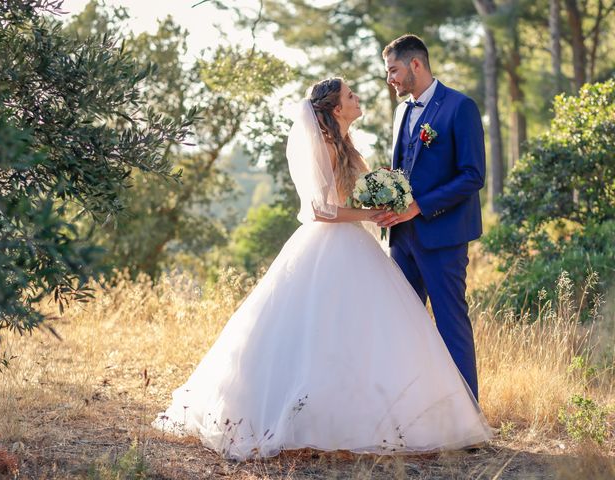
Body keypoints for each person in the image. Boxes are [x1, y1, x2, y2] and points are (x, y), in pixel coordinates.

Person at [152, 77, 491, 461]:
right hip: (329, 246)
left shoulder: (345, 144)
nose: (357, 97)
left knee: (364, 332)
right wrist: (368, 213)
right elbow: (319, 209)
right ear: (335, 108)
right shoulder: (325, 146)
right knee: (321, 330)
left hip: (359, 245)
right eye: (350, 95)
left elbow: (358, 188)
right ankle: (306, 420)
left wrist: (386, 192)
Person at [375, 34, 486, 400]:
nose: (390, 77)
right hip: (401, 240)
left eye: (393, 70)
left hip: (443, 238)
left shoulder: (460, 107)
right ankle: (411, 410)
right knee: (400, 325)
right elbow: (404, 169)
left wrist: (420, 205)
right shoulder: (400, 112)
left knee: (451, 326)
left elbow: (473, 175)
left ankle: (467, 418)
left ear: (415, 65)